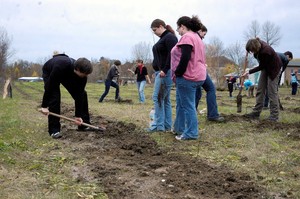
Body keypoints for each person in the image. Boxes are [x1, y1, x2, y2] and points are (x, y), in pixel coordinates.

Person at [40, 53, 93, 139]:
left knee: (83, 95)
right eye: (84, 74)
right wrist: (44, 106)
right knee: (55, 98)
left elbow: (79, 95)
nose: (85, 76)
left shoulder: (83, 76)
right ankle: (54, 130)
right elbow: (49, 87)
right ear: (78, 69)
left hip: (67, 74)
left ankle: (84, 124)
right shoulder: (60, 66)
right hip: (50, 71)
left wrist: (78, 116)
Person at [171, 15, 206, 140]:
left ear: (183, 26)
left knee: (188, 106)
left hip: (189, 76)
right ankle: (179, 128)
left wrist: (178, 73)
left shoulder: (187, 37)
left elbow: (185, 57)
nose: (178, 31)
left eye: (178, 28)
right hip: (199, 75)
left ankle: (191, 133)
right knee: (183, 104)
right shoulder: (197, 37)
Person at [147, 19, 178, 132]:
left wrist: (164, 69)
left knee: (158, 98)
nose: (154, 32)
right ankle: (166, 126)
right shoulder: (164, 38)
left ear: (160, 26)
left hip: (165, 73)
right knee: (165, 100)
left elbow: (173, 55)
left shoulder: (170, 37)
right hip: (161, 72)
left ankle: (158, 126)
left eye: (155, 30)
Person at [242, 38, 282, 121]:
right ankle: (256, 112)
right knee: (260, 89)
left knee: (271, 92)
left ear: (256, 48)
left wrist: (249, 72)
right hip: (266, 68)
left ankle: (274, 116)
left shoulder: (266, 51)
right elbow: (263, 66)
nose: (252, 52)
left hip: (274, 69)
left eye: (252, 51)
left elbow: (261, 66)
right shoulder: (257, 44)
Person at [194, 25, 224, 122]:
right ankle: (212, 115)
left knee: (197, 92)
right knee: (210, 88)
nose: (204, 36)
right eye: (204, 34)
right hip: (199, 70)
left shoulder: (190, 38)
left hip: (195, 70)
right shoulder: (197, 40)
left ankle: (191, 113)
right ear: (200, 30)